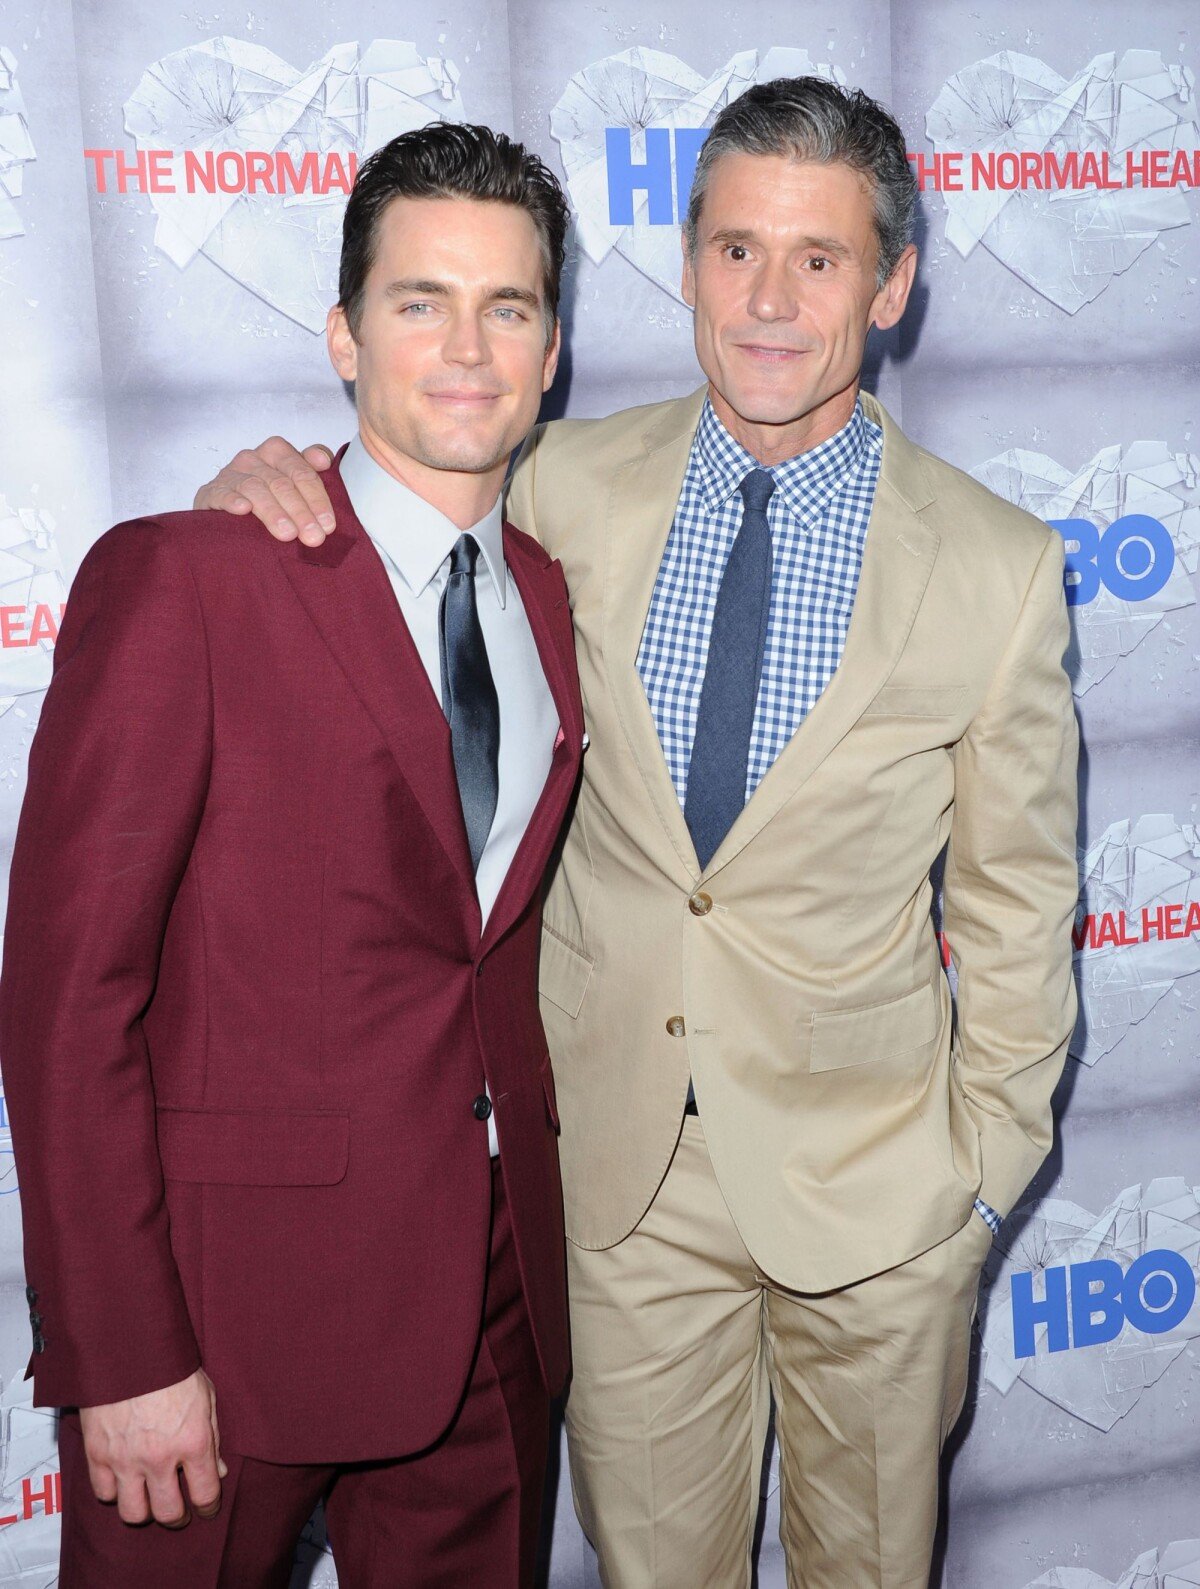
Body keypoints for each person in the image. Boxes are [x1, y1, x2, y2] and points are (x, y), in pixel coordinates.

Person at [195, 77, 1080, 1588]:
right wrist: (263, 481)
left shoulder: (995, 567)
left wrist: (973, 1184)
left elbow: (1017, 905)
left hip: (879, 1203)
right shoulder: (557, 487)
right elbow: (395, 517)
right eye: (736, 249)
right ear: (684, 268)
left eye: (820, 257)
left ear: (895, 284)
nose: (771, 299)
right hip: (617, 1197)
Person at [0, 123, 583, 1588]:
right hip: (218, 1338)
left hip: (488, 1308)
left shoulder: (546, 595)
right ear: (342, 333)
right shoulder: (189, 575)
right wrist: (121, 1352)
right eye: (419, 301)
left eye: (506, 306)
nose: (467, 345)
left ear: (553, 347)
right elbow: (67, 1000)